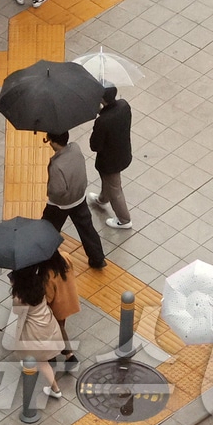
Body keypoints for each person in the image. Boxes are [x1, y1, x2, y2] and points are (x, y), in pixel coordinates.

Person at [42, 132, 106, 268]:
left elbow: (57, 190)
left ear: (53, 142)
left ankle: (44, 258)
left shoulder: (56, 165)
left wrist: (49, 191)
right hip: (79, 197)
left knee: (47, 230)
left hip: (60, 205)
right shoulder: (75, 148)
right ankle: (97, 258)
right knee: (87, 229)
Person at [10, 263, 66, 398]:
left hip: (34, 329)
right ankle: (30, 360)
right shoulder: (39, 284)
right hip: (47, 321)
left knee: (41, 361)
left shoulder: (20, 298)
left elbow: (17, 312)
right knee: (40, 351)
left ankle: (56, 389)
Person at [88, 86, 133, 228]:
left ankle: (124, 220)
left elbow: (95, 146)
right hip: (123, 152)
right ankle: (103, 198)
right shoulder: (124, 105)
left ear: (101, 99)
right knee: (107, 181)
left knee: (115, 188)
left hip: (110, 161)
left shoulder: (102, 121)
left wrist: (99, 116)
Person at [42, 249, 81, 371]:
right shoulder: (66, 257)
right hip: (70, 298)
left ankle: (69, 355)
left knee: (57, 329)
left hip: (57, 306)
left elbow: (49, 296)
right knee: (61, 326)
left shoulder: (48, 274)